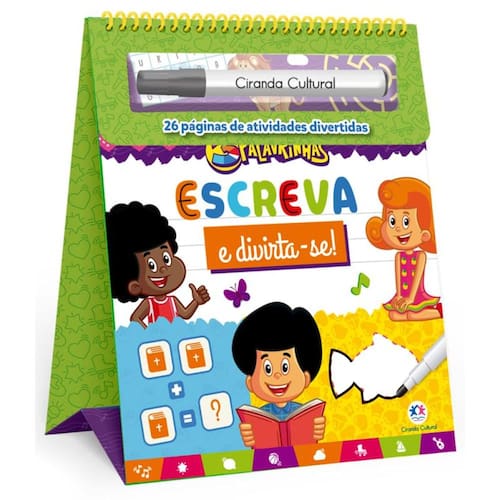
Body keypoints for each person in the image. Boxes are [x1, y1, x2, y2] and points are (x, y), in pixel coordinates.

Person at [232, 302, 325, 447]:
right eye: (267, 368)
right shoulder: (260, 417)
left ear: (306, 378)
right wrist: (250, 439)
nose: (276, 376)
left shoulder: (303, 414)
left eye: (285, 367)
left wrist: (316, 432)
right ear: (250, 382)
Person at [105, 201, 210, 328]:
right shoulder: (149, 304)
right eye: (152, 265)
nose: (163, 268)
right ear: (134, 286)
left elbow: (185, 314)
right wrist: (149, 332)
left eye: (166, 259)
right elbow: (135, 318)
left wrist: (196, 302)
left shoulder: (172, 301)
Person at [365, 177, 442, 321]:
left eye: (406, 221)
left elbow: (417, 279)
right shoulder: (398, 256)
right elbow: (399, 281)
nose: (398, 228)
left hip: (416, 296)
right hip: (403, 297)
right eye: (392, 221)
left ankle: (439, 312)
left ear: (425, 232)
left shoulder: (421, 256)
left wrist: (410, 299)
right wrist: (399, 296)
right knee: (394, 315)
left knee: (412, 314)